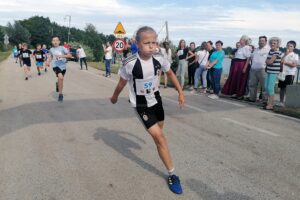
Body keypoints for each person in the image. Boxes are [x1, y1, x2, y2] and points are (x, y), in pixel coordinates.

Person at [110, 26, 184, 195]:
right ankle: (172, 174)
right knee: (160, 137)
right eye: (147, 43)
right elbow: (121, 83)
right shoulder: (129, 63)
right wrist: (114, 97)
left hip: (156, 100)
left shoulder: (160, 57)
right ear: (137, 44)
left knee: (160, 133)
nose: (151, 46)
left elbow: (171, 73)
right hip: (141, 104)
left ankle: (158, 141)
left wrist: (180, 92)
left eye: (154, 42)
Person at [222, 35, 252, 99]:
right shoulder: (240, 48)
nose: (240, 40)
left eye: (241, 39)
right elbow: (236, 56)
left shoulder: (247, 47)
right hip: (236, 64)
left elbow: (248, 58)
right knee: (235, 79)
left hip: (242, 65)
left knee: (241, 80)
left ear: (244, 41)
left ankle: (240, 94)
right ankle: (235, 93)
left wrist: (245, 68)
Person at [47, 35, 71, 102]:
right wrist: (48, 62)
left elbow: (69, 55)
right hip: (55, 66)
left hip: (63, 66)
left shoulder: (63, 48)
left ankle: (58, 84)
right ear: (52, 42)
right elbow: (51, 56)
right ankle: (60, 94)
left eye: (56, 40)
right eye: (53, 40)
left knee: (61, 79)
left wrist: (62, 55)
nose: (55, 42)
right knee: (61, 77)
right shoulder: (51, 49)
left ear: (59, 41)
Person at [247, 36, 269, 102]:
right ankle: (252, 98)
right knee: (252, 85)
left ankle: (265, 100)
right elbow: (251, 57)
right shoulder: (255, 49)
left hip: (263, 69)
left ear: (265, 41)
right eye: (260, 41)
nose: (261, 42)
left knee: (264, 86)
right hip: (253, 69)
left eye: (262, 41)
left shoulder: (268, 49)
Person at [278, 41, 299, 107]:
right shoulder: (283, 54)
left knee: (288, 88)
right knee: (282, 88)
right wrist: (285, 55)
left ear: (293, 47)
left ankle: (288, 102)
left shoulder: (295, 55)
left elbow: (294, 65)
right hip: (282, 73)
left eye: (290, 46)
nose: (289, 47)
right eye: (288, 46)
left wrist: (286, 63)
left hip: (290, 73)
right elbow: (280, 62)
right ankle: (281, 102)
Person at [264, 37, 282, 110]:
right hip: (268, 70)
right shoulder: (270, 51)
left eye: (274, 43)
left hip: (274, 72)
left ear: (277, 44)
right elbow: (267, 61)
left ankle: (271, 104)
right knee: (266, 87)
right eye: (271, 43)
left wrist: (268, 61)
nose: (272, 44)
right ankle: (268, 102)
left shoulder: (277, 52)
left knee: (270, 88)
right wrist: (268, 61)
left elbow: (270, 61)